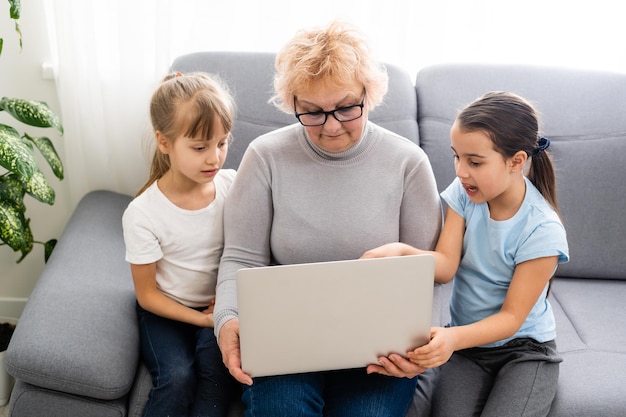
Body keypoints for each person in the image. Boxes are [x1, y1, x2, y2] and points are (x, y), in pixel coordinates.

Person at [213, 20, 442, 417]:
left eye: (346, 107)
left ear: (369, 96)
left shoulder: (408, 163)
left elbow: (429, 274)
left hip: (381, 348)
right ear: (293, 103)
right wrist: (227, 320)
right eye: (313, 112)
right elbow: (241, 259)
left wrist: (423, 345)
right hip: (286, 340)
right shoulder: (265, 156)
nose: (332, 125)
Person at [363, 91, 569, 417]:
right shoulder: (464, 193)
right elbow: (446, 266)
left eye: (474, 162)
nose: (460, 171)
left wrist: (451, 338)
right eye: (456, 157)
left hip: (525, 351)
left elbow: (511, 319)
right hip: (469, 348)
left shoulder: (542, 229)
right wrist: (402, 252)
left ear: (516, 161)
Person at [122, 72, 239, 417]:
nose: (214, 159)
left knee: (215, 374)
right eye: (200, 147)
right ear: (164, 142)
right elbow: (147, 295)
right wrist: (201, 321)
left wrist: (225, 307)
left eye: (222, 143)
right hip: (165, 312)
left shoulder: (232, 185)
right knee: (176, 377)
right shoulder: (143, 213)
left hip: (218, 308)